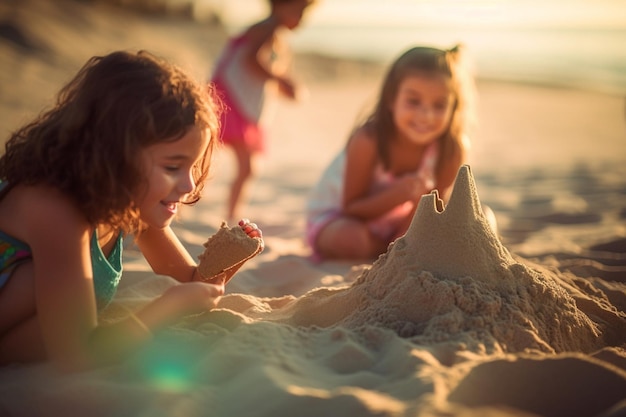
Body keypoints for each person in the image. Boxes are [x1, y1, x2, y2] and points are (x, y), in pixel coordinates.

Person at [0, 50, 263, 371]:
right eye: (172, 167)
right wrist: (166, 308)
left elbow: (192, 280)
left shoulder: (131, 202)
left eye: (192, 167)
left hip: (32, 337)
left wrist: (229, 258)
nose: (189, 185)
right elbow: (76, 356)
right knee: (34, 281)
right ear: (114, 155)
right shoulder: (55, 210)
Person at [306, 45, 479, 261]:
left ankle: (391, 252)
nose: (426, 115)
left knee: (482, 220)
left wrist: (402, 244)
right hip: (342, 218)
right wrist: (396, 196)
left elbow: (428, 214)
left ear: (454, 107)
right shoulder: (368, 140)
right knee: (351, 239)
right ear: (391, 99)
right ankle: (385, 251)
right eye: (413, 101)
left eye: (439, 105)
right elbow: (351, 208)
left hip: (398, 224)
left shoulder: (451, 150)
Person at [210, 0, 314, 221]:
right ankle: (231, 216)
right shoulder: (268, 27)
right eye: (300, 11)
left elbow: (258, 70)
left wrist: (282, 85)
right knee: (246, 167)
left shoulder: (271, 32)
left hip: (235, 101)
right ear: (280, 6)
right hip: (231, 102)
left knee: (216, 158)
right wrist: (281, 79)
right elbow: (251, 60)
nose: (303, 19)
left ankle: (230, 213)